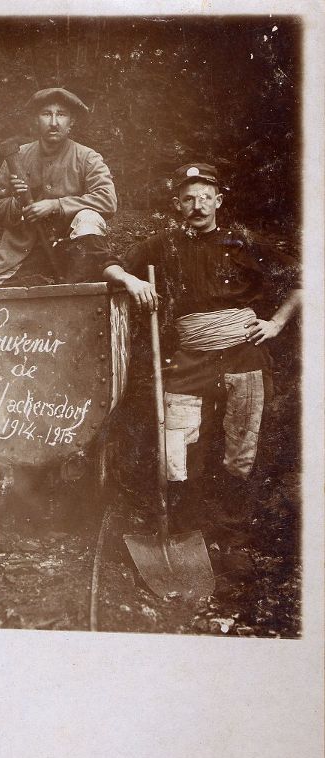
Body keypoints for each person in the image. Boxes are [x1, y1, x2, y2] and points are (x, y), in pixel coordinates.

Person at [101, 162, 301, 543]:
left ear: (218, 201)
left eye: (205, 198)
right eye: (189, 199)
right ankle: (185, 529)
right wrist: (131, 280)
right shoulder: (164, 244)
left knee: (242, 442)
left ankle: (232, 534)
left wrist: (276, 323)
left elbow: (301, 279)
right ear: (178, 204)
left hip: (243, 352)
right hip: (191, 357)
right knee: (177, 445)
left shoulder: (241, 242)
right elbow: (109, 265)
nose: (197, 206)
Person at [0, 87, 117, 289]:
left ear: (71, 122)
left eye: (61, 114)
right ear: (36, 120)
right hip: (21, 252)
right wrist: (17, 203)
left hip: (70, 251)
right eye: (46, 114)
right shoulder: (16, 157)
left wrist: (55, 205)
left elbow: (107, 201)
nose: (54, 122)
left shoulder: (87, 158)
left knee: (89, 218)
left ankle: (76, 288)